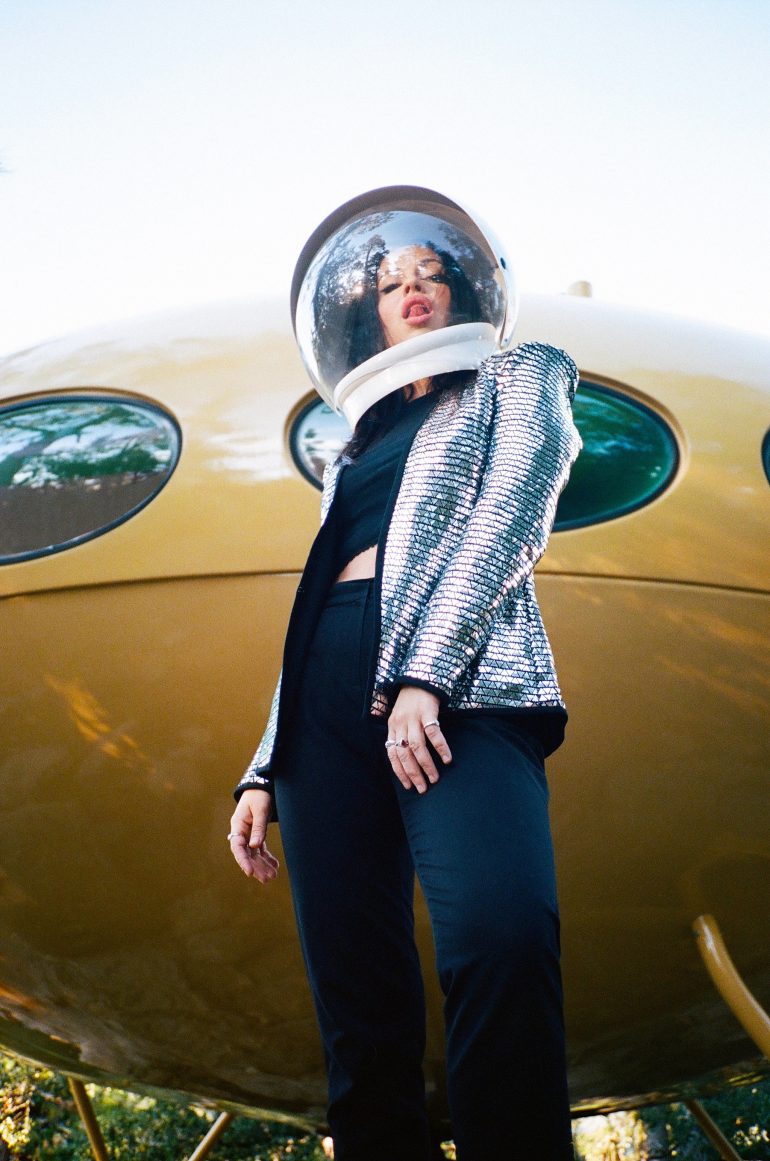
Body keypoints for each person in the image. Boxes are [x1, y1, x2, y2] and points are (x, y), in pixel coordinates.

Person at [229, 185, 582, 1161]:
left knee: (502, 938)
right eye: (391, 284)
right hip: (323, 700)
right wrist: (265, 766)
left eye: (429, 273)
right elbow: (315, 598)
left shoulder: (521, 376)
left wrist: (425, 674)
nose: (412, 290)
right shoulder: (354, 444)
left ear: (460, 290)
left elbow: (509, 516)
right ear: (373, 313)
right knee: (356, 999)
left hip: (465, 685)